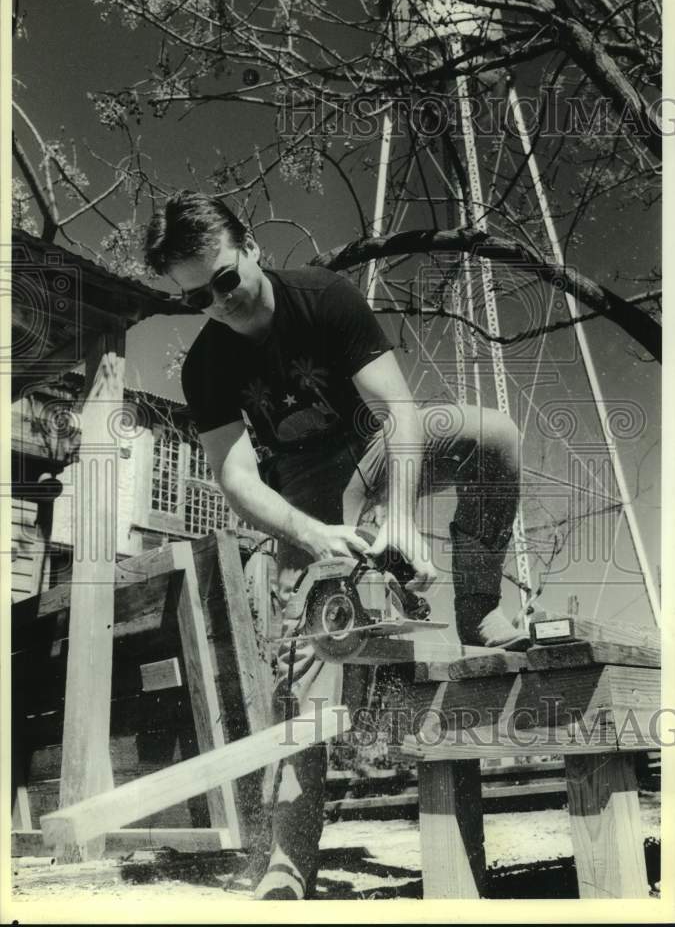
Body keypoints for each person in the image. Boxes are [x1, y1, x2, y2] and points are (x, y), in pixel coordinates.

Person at [145, 190, 526, 900]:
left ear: (250, 245)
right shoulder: (205, 367)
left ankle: (476, 603)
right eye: (198, 296)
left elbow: (400, 412)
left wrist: (402, 517)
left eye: (225, 278)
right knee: (305, 669)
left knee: (494, 438)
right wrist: (311, 533)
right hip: (303, 494)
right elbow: (235, 475)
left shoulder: (324, 297)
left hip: (378, 450)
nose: (220, 301)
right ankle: (289, 858)